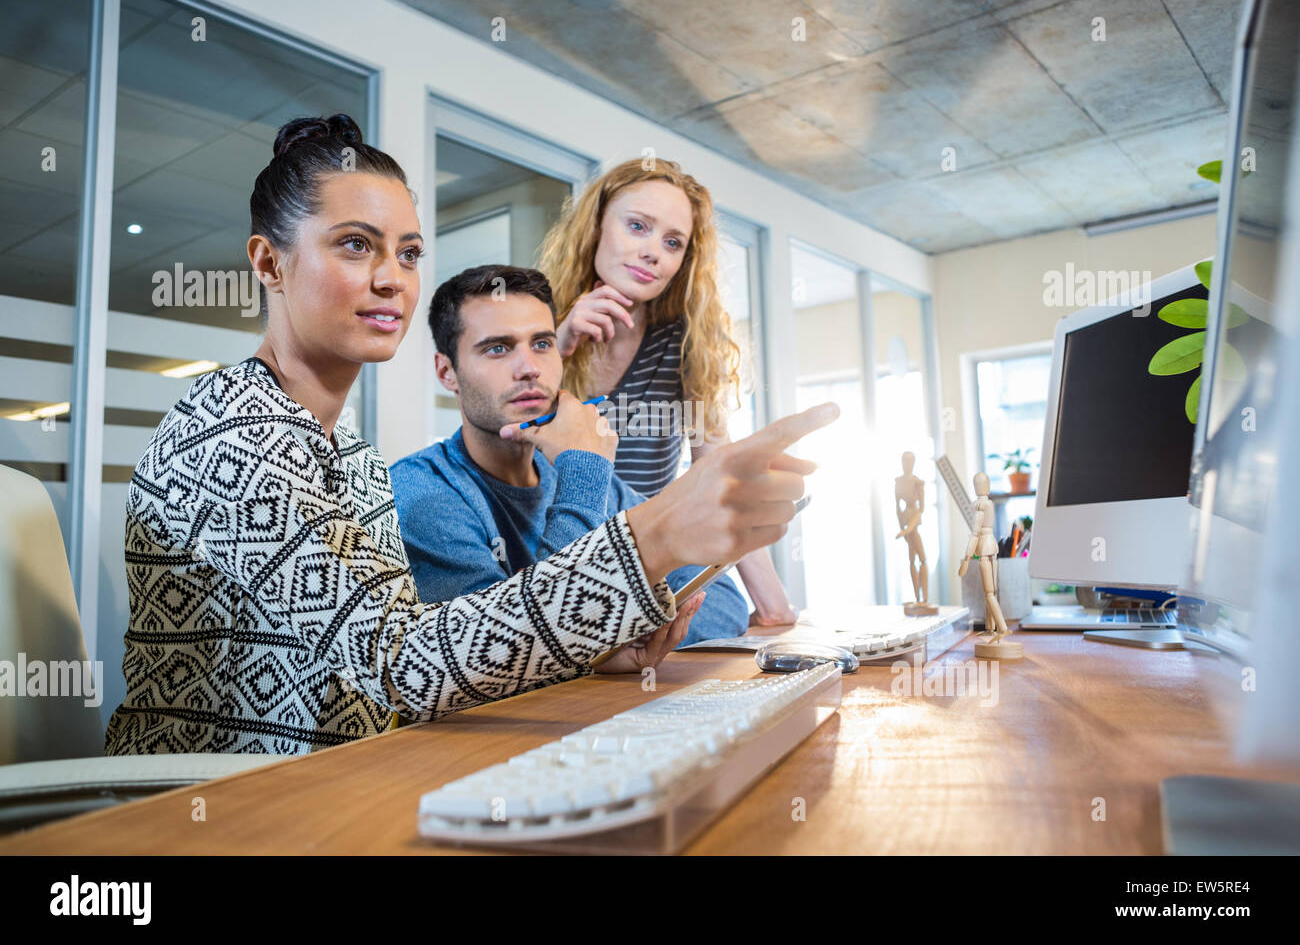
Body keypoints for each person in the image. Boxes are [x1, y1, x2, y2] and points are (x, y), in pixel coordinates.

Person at [103, 114, 835, 756]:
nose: (392, 278)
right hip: (222, 811)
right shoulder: (237, 432)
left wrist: (596, 654)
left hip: (348, 780)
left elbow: (416, 654)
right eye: (356, 246)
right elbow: (407, 667)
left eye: (410, 253)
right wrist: (655, 531)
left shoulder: (350, 457)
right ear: (269, 263)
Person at [389, 263, 749, 646]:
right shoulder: (420, 492)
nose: (529, 369)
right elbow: (511, 651)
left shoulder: (595, 483)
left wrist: (595, 637)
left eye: (542, 344)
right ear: (447, 373)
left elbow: (722, 604)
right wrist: (584, 470)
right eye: (498, 348)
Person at [538, 158, 800, 628]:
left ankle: (606, 642)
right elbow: (497, 439)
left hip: (649, 552)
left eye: (672, 242)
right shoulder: (538, 320)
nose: (653, 252)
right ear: (596, 227)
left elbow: (721, 472)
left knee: (719, 615)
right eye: (637, 226)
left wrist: (773, 605)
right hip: (552, 545)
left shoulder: (685, 341)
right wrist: (556, 346)